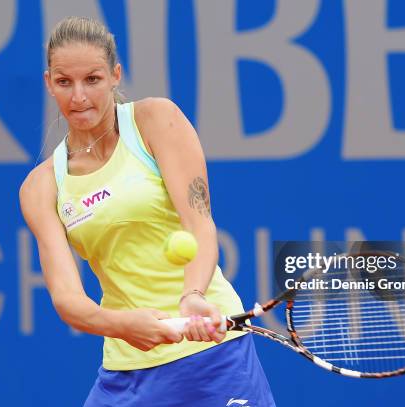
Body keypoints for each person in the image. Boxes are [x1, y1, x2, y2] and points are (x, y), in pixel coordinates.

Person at [19, 16, 275, 406]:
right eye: (64, 82)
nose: (79, 97)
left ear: (115, 75)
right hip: (126, 371)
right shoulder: (41, 187)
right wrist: (122, 325)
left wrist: (192, 295)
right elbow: (67, 299)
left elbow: (200, 225)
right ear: (48, 83)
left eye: (93, 79)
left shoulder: (156, 120)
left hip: (212, 358)